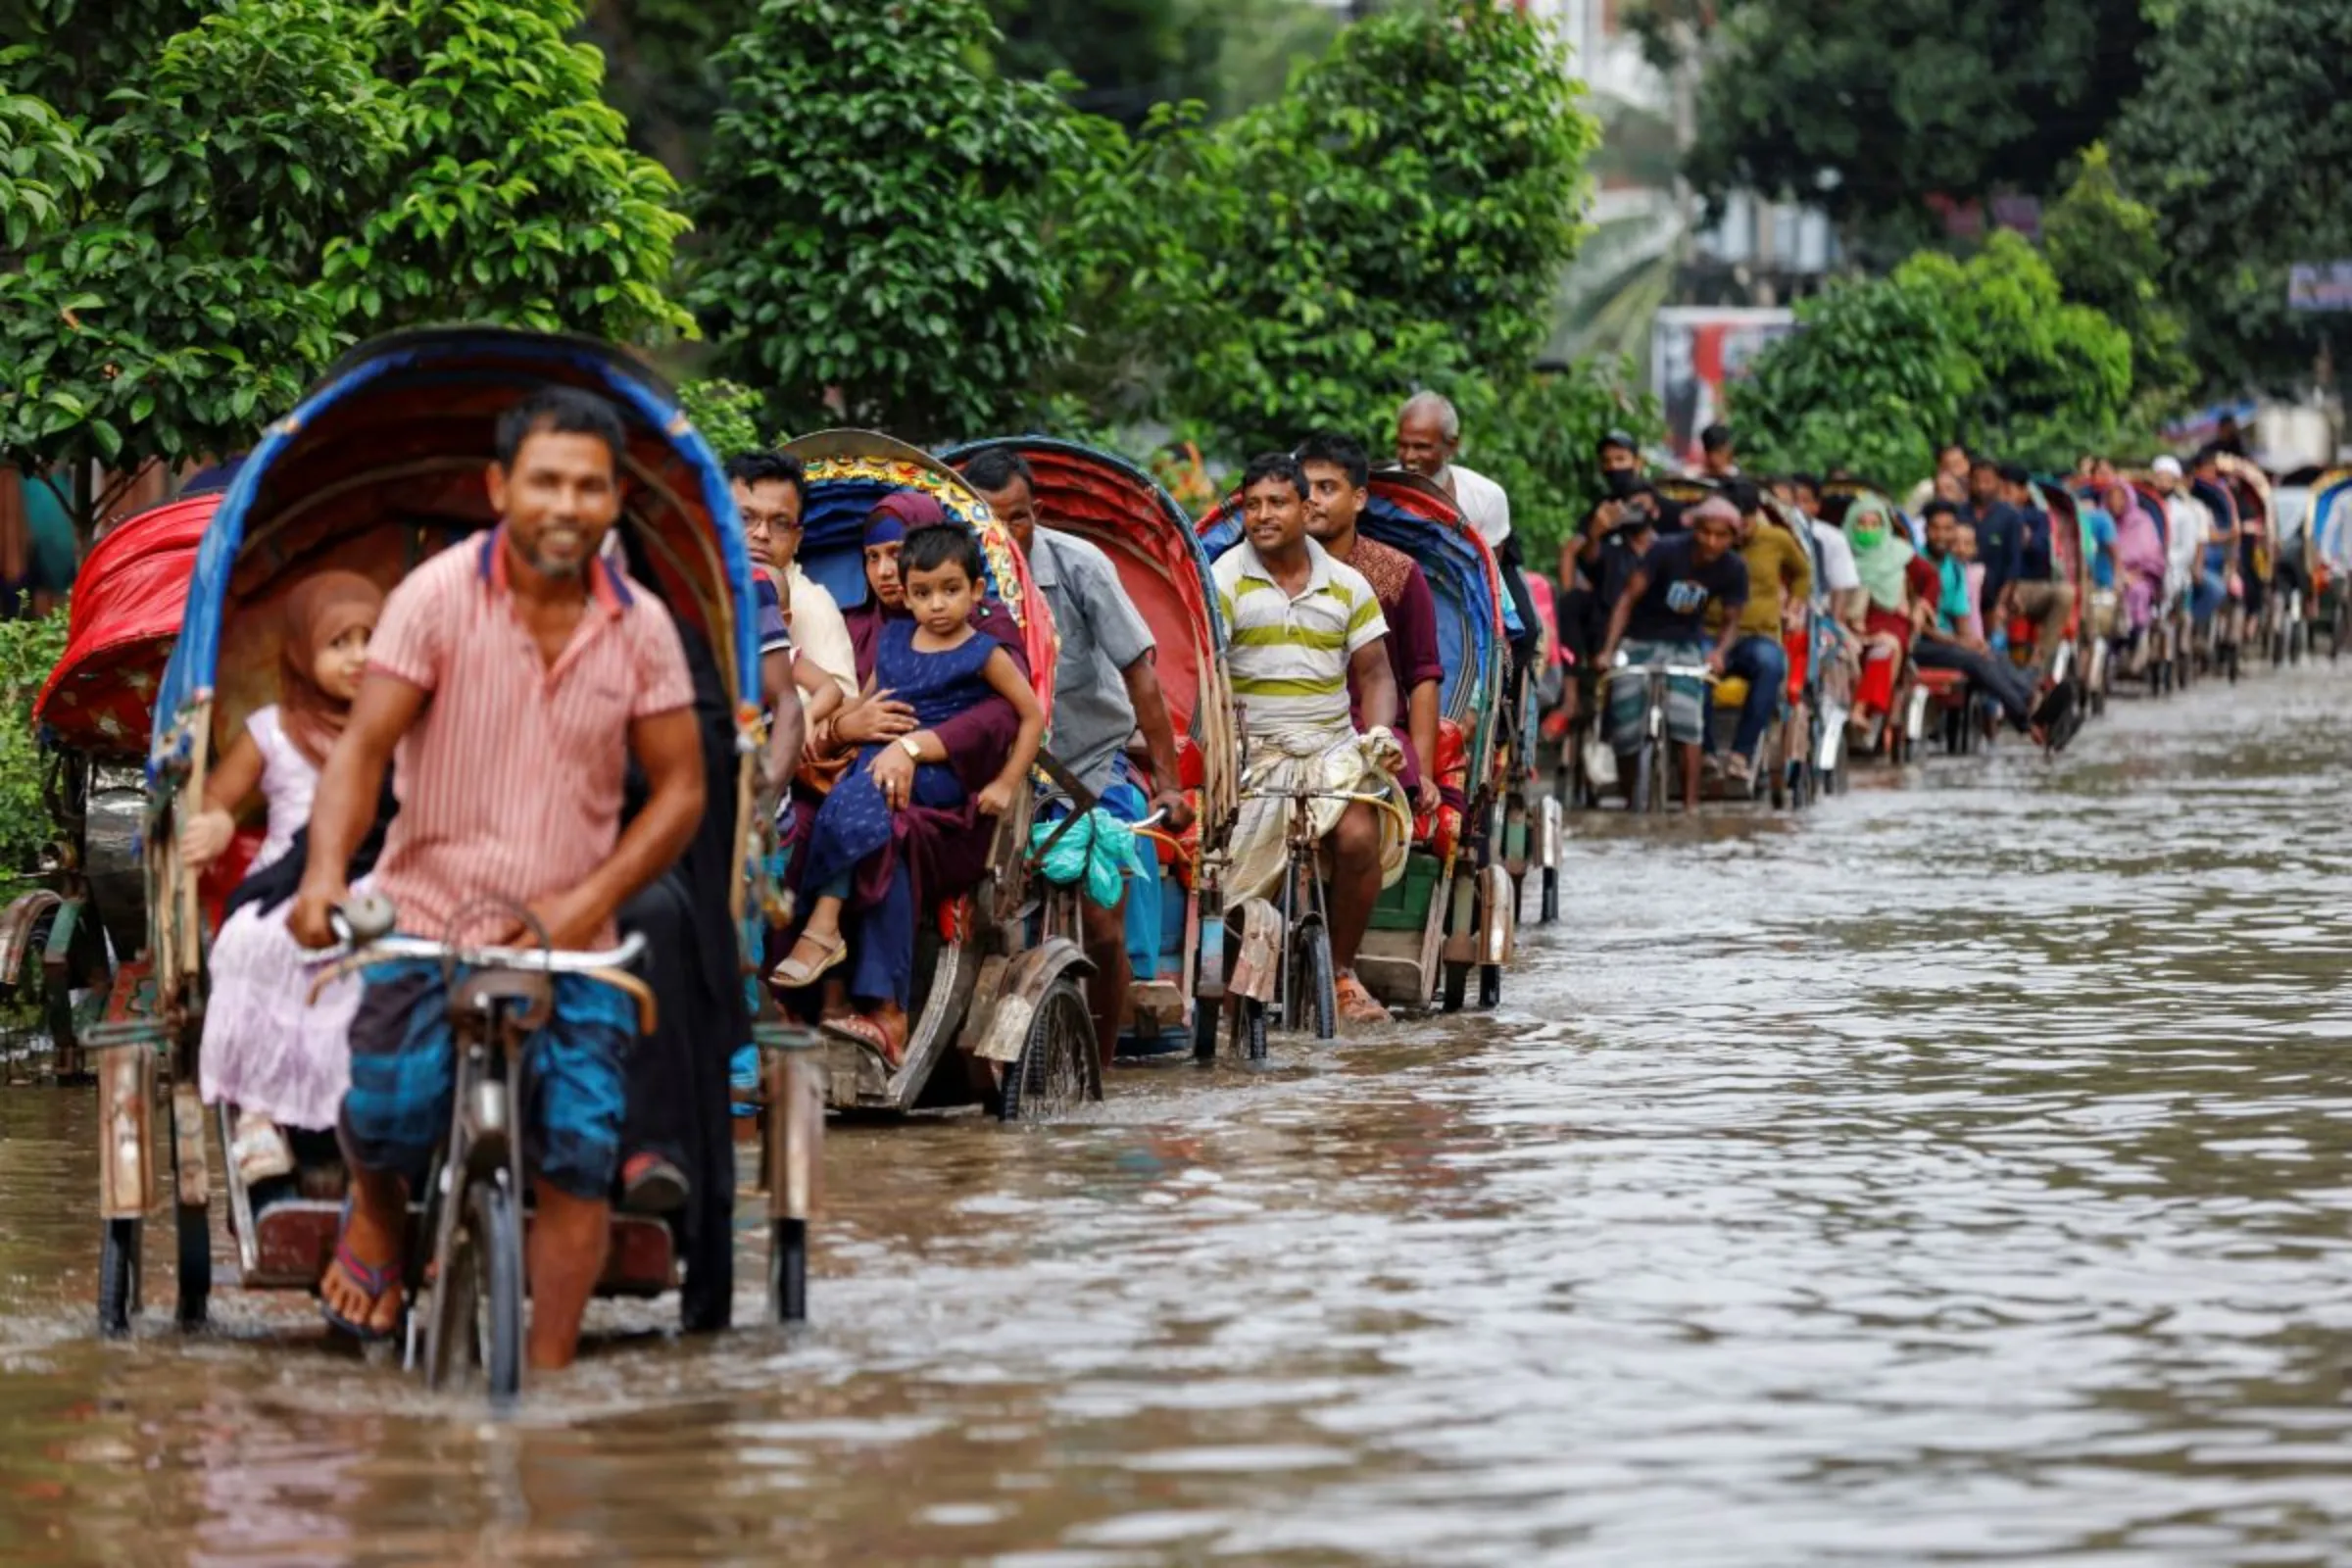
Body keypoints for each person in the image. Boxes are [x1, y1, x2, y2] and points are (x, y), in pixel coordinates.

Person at [291, 387, 707, 1369]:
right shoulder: (433, 599)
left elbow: (682, 791)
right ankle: (383, 1222)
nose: (567, 505)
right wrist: (320, 875)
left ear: (614, 503)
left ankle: (549, 1390)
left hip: (574, 936)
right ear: (500, 488)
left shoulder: (641, 626)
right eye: (546, 481)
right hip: (429, 915)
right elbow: (360, 752)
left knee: (578, 1156)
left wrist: (588, 900)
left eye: (590, 487)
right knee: (386, 1115)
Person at [771, 525, 1047, 1061]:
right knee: (846, 808)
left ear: (976, 591)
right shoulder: (895, 639)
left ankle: (831, 937)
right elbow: (863, 703)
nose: (936, 605)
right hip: (880, 770)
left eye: (950, 590)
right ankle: (818, 964)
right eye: (921, 593)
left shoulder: (986, 651)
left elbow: (1028, 715)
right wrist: (841, 725)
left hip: (942, 784)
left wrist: (1005, 782)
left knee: (866, 803)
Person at [962, 445, 1194, 1070]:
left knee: (1104, 919)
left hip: (1091, 764)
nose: (1004, 535)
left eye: (1016, 518)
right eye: (988, 520)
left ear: (1035, 511)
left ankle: (1103, 1059)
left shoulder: (1079, 564)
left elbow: (1140, 674)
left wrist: (1169, 787)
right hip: (992, 769)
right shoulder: (954, 573)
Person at [180, 571, 383, 1183]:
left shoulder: (400, 719)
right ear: (301, 651)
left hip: (377, 868)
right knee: (251, 943)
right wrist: (214, 824)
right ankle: (259, 1117)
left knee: (385, 947)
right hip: (284, 877)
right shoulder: (272, 728)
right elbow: (216, 797)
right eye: (338, 642)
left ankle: (370, 1112)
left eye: (370, 639)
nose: (357, 657)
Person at [1214, 454, 1408, 1026]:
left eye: (1277, 503)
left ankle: (1342, 971)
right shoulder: (1224, 578)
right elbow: (1207, 668)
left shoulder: (1348, 586)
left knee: (1357, 837)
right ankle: (1225, 990)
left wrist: (1376, 735)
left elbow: (1376, 674)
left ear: (1305, 508)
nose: (1263, 515)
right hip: (1254, 751)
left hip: (1330, 748)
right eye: (1251, 505)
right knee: (1218, 870)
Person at [1296, 432, 1445, 819]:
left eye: (1326, 488)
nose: (1311, 499)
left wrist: (1425, 775)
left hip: (1372, 734)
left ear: (1358, 498)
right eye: (1303, 487)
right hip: (1288, 730)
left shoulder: (1398, 574)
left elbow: (1422, 676)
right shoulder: (1267, 572)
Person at [1595, 496, 1748, 810]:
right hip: (1639, 639)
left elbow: (1732, 620)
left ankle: (1690, 807)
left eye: (1721, 536)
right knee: (1625, 716)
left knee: (1688, 720)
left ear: (1733, 538)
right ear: (1696, 530)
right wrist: (1608, 650)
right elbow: (1627, 598)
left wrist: (1719, 652)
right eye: (1706, 533)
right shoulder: (1665, 550)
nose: (1712, 541)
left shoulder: (1734, 568)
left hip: (1686, 644)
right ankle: (1629, 801)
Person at [1394, 392, 1540, 677]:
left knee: (1523, 631)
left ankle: (1498, 711)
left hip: (1471, 583)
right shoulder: (1381, 489)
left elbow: (1489, 577)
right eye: (1403, 445)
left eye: (1422, 447)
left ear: (1452, 445)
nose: (1409, 457)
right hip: (1403, 581)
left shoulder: (1485, 495)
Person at [1912, 501, 2068, 741]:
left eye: (1948, 529)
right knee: (1973, 659)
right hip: (1918, 643)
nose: (1942, 535)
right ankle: (2029, 718)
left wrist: (1972, 641)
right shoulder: (1914, 565)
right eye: (1936, 529)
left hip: (1947, 643)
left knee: (1991, 654)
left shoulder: (1953, 568)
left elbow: (1962, 620)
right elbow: (1919, 624)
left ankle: (2032, 695)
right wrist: (1960, 642)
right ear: (1925, 532)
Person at [727, 451, 857, 699]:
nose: (762, 534)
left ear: (797, 540)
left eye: (780, 523)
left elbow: (843, 703)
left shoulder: (811, 604)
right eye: (745, 518)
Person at [1711, 481, 1813, 785]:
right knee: (1690, 670)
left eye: (1743, 521)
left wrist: (1793, 608)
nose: (1737, 530)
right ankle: (1704, 753)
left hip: (1756, 637)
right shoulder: (1708, 543)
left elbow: (1803, 574)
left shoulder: (1777, 540)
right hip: (1711, 636)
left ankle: (1741, 755)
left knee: (1771, 664)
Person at [1843, 499, 1939, 736]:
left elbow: (1931, 580)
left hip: (1890, 620)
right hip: (1849, 622)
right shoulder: (1841, 554)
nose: (1868, 531)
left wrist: (1920, 609)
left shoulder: (1900, 553)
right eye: (1861, 525)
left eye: (1874, 524)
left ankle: (1860, 708)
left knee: (1883, 651)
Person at [1996, 463, 2074, 676]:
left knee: (2065, 594)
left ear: (2023, 492)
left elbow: (2039, 550)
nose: (2002, 496)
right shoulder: (1988, 516)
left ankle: (2039, 662)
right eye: (1999, 490)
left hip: (2028, 586)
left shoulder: (2037, 518)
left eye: (2008, 490)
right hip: (1994, 586)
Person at [1905, 441, 1971, 517]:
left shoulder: (1977, 488)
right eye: (1948, 466)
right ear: (1940, 468)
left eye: (1958, 465)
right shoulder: (1925, 490)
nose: (1954, 471)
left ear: (1968, 463)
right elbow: (1907, 520)